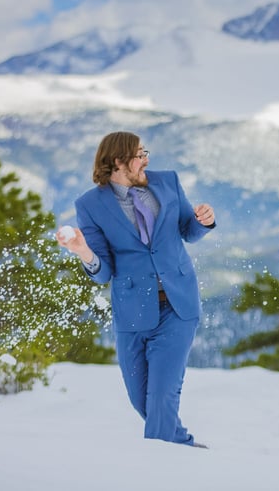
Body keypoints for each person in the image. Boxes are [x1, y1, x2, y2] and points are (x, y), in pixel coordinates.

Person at [56, 131, 216, 447]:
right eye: (139, 154)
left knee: (161, 395)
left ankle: (158, 470)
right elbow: (103, 272)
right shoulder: (89, 205)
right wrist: (83, 252)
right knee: (141, 399)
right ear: (118, 161)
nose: (146, 159)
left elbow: (187, 230)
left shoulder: (167, 182)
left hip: (177, 305)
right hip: (132, 312)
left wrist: (203, 221)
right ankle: (182, 446)